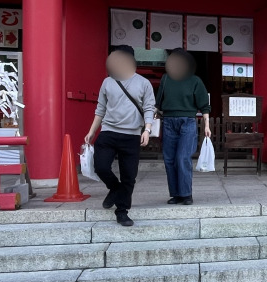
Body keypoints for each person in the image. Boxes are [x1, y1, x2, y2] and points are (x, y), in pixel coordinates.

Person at [84, 46, 155, 227]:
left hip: (131, 135)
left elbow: (149, 108)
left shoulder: (144, 83)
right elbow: (100, 109)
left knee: (129, 176)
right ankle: (115, 189)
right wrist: (92, 131)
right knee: (100, 167)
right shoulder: (108, 82)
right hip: (108, 132)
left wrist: (147, 130)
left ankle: (122, 211)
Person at [157, 48, 211, 205]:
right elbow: (158, 103)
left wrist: (207, 125)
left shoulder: (195, 81)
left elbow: (204, 105)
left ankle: (186, 194)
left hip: (187, 121)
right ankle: (176, 194)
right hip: (168, 121)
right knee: (169, 159)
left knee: (182, 158)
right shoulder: (165, 79)